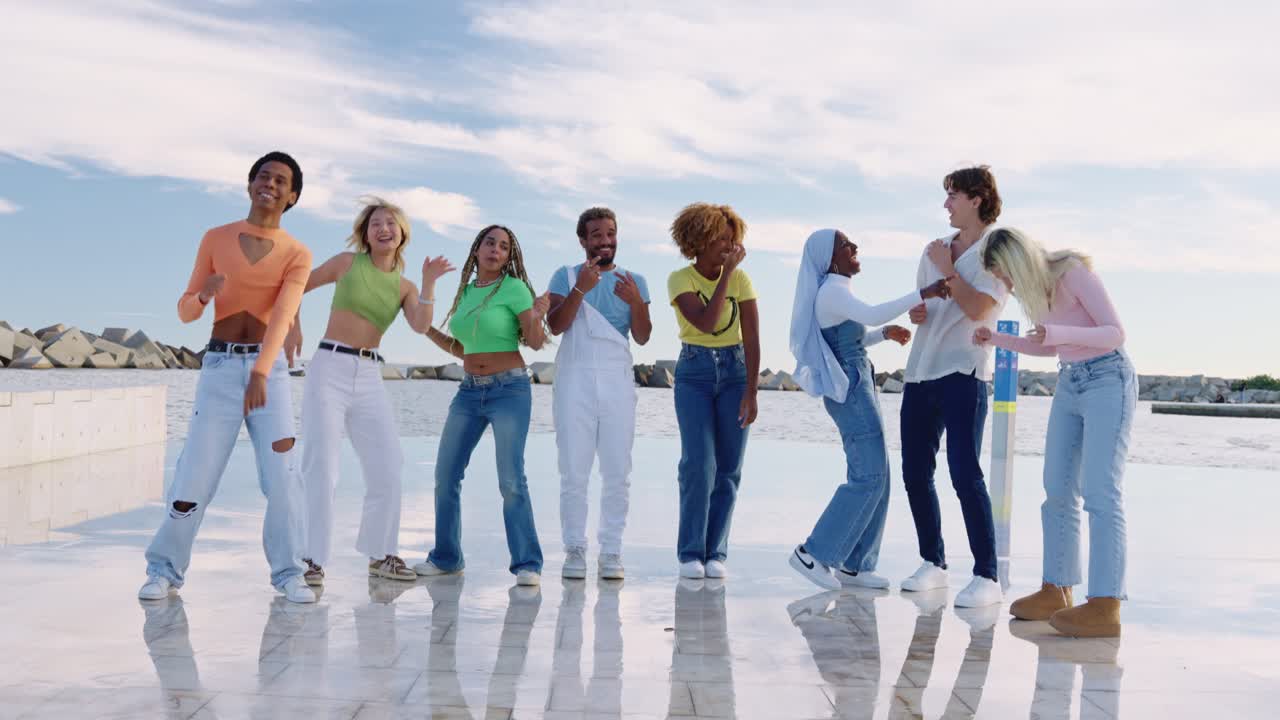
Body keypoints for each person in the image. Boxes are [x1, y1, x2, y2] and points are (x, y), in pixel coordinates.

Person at [139, 151, 315, 604]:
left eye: (280, 181)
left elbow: (284, 315)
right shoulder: (215, 238)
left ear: (292, 196)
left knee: (283, 476)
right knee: (194, 476)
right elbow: (185, 312)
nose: (270, 184)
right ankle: (164, 571)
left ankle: (289, 573)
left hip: (269, 375)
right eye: (263, 176)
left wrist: (261, 372)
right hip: (219, 368)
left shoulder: (297, 253)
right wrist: (203, 294)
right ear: (250, 184)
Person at [975, 227, 1134, 638]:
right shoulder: (1038, 293)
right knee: (1057, 489)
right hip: (1070, 382)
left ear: (1016, 261)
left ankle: (1106, 604)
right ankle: (1056, 590)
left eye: (1004, 274)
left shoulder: (1072, 271)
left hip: (1108, 378)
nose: (1006, 284)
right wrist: (996, 339)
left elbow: (1114, 333)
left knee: (1100, 492)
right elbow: (1049, 347)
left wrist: (1059, 334)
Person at [289, 197, 455, 587]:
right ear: (365, 234)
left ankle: (381, 554)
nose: (383, 229)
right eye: (375, 223)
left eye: (390, 223)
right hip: (329, 365)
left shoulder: (405, 286)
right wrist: (293, 326)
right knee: (321, 465)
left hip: (368, 374)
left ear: (402, 234)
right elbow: (296, 286)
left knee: (388, 464)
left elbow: (420, 325)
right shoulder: (346, 263)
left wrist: (429, 282)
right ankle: (310, 559)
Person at [787, 229, 949, 591]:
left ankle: (856, 565)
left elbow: (851, 340)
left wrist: (884, 335)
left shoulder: (837, 292)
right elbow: (872, 315)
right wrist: (924, 292)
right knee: (869, 475)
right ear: (830, 259)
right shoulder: (832, 291)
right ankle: (813, 553)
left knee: (879, 474)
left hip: (858, 382)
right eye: (846, 245)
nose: (854, 248)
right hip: (851, 389)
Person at [415, 224, 551, 586]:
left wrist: (537, 315)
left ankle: (527, 563)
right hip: (468, 392)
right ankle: (446, 558)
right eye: (490, 243)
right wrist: (427, 329)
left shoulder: (515, 288)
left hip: (510, 390)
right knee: (445, 476)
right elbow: (464, 349)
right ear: (477, 250)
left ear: (508, 257)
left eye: (504, 246)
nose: (496, 250)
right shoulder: (466, 293)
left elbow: (535, 342)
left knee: (510, 479)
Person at [899, 165, 1010, 608]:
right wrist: (918, 312)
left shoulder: (997, 252)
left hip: (964, 372)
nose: (946, 205)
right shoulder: (933, 250)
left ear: (977, 199)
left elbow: (980, 308)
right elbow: (926, 303)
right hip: (921, 371)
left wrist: (948, 272)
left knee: (964, 472)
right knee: (914, 472)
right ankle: (933, 562)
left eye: (953, 196)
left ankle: (987, 575)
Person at [546, 207, 652, 580]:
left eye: (610, 234)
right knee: (573, 470)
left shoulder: (635, 280)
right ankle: (574, 548)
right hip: (574, 380)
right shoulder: (566, 275)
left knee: (617, 470)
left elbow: (642, 336)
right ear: (583, 240)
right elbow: (556, 325)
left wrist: (636, 301)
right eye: (596, 235)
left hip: (616, 380)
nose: (605, 242)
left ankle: (611, 551)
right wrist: (581, 289)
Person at [667, 203, 759, 580]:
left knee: (729, 467)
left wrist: (752, 391)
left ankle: (715, 551)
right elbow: (705, 323)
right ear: (699, 240)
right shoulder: (680, 279)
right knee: (698, 464)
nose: (729, 245)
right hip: (695, 374)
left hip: (736, 373)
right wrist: (727, 276)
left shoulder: (742, 280)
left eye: (732, 238)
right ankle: (691, 552)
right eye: (721, 238)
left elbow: (751, 337)